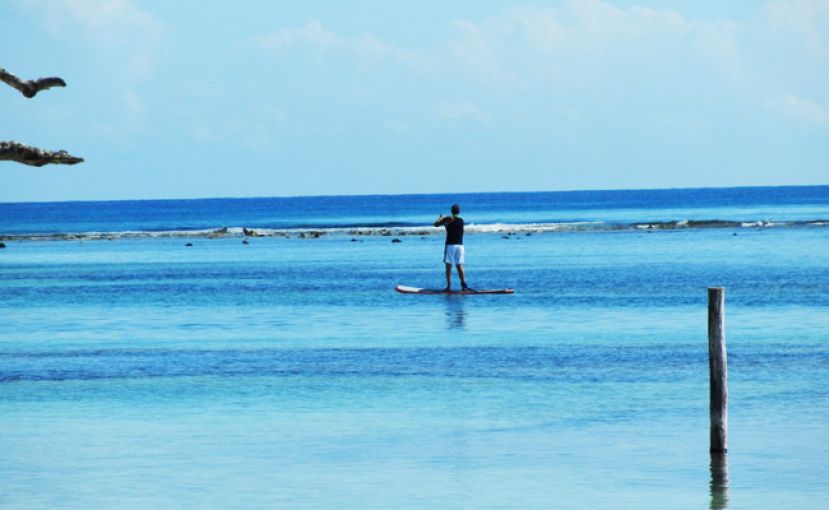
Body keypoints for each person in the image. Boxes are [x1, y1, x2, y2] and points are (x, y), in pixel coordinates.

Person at [434, 204, 469, 291]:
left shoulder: (448, 219)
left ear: (451, 211)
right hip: (460, 246)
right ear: (459, 212)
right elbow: (452, 228)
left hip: (450, 245)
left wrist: (441, 217)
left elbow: (435, 224)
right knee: (459, 266)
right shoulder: (461, 221)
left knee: (448, 266)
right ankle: (464, 286)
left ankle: (448, 287)